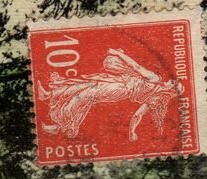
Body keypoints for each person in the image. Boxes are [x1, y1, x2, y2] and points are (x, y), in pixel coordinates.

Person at [38, 48, 182, 141]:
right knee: (86, 84)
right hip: (118, 82)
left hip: (119, 88)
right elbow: (138, 115)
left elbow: (136, 67)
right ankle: (50, 94)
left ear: (171, 90)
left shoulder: (156, 81)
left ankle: (60, 125)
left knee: (85, 95)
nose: (171, 80)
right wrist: (132, 132)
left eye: (173, 84)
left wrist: (118, 54)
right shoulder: (156, 98)